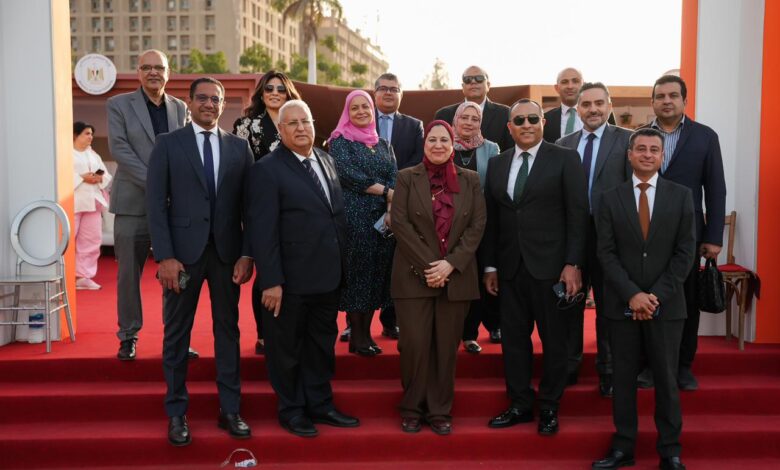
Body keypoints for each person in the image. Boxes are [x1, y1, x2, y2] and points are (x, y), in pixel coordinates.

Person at [146, 77, 255, 446]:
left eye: (216, 99)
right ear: (190, 103)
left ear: (223, 105)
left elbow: (250, 208)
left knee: (228, 331)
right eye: (203, 98)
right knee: (177, 334)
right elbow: (155, 205)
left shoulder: (239, 147)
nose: (210, 104)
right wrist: (165, 257)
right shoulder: (168, 144)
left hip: (227, 256)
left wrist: (246, 253)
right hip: (181, 258)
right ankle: (177, 413)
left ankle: (230, 410)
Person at [246, 99, 359, 438]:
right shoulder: (267, 169)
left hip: (328, 277)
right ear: (281, 130)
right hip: (288, 282)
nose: (300, 128)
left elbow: (333, 215)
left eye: (305, 121)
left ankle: (321, 405)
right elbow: (262, 230)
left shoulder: (326, 159)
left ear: (313, 124)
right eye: (292, 123)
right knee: (287, 351)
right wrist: (271, 281)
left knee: (321, 347)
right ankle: (292, 410)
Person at [482, 99, 589, 435]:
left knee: (555, 341)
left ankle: (549, 406)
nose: (526, 125)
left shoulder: (566, 159)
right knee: (514, 341)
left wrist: (573, 263)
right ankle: (519, 404)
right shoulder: (497, 164)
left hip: (552, 269)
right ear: (509, 127)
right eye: (519, 120)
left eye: (532, 119)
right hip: (510, 268)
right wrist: (490, 266)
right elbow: (493, 219)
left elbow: (578, 215)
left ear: (543, 122)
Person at [592, 128, 695, 470]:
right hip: (622, 305)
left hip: (667, 306)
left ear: (662, 156)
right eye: (641, 149)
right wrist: (632, 294)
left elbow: (685, 253)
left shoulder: (681, 196)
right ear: (630, 155)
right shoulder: (609, 198)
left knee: (666, 380)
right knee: (622, 380)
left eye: (654, 149)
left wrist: (654, 297)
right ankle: (623, 447)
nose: (647, 154)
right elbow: (605, 253)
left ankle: (670, 451)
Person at [391, 120, 486, 435]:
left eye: (444, 140)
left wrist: (450, 265)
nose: (438, 145)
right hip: (413, 275)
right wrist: (432, 266)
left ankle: (439, 410)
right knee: (414, 345)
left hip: (456, 277)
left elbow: (477, 226)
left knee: (446, 348)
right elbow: (400, 224)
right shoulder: (407, 177)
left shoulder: (471, 180)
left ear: (452, 144)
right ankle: (411, 408)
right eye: (432, 139)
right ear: (424, 144)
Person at [637, 75, 726, 391]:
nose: (666, 101)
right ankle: (649, 366)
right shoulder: (639, 137)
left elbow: (715, 189)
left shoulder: (705, 137)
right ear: (652, 102)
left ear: (684, 100)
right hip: (644, 234)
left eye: (673, 95)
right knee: (648, 299)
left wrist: (713, 237)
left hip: (688, 235)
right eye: (660, 96)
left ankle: (683, 366)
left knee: (685, 302)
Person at [107, 49, 189, 361]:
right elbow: (120, 150)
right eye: (147, 67)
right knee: (129, 274)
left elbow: (185, 151)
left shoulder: (180, 108)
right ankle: (128, 336)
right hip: (133, 204)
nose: (153, 72)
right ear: (138, 72)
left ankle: (177, 337)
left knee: (176, 272)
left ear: (168, 72)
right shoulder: (118, 105)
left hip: (173, 207)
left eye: (159, 67)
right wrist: (158, 184)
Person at [556, 82, 632, 396]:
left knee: (610, 306)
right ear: (578, 109)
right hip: (572, 238)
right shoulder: (563, 144)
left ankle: (609, 370)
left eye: (599, 103)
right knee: (569, 303)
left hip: (612, 239)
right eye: (586, 105)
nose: (593, 109)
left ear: (609, 105)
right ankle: (569, 366)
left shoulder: (627, 140)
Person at [233, 70, 302, 356]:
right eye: (269, 88)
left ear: (288, 93)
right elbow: (240, 171)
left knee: (292, 272)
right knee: (266, 272)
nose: (275, 93)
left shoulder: (297, 122)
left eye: (280, 89)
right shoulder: (246, 125)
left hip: (294, 210)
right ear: (261, 93)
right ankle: (263, 334)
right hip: (260, 206)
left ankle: (288, 330)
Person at [328, 90, 397, 356]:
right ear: (347, 112)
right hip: (355, 218)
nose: (360, 111)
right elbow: (348, 175)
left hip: (383, 221)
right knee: (358, 278)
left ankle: (366, 335)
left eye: (365, 107)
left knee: (377, 277)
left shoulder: (383, 144)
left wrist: (390, 208)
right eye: (354, 107)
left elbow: (393, 175)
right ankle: (358, 337)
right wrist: (386, 192)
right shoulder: (339, 141)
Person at [372, 72, 424, 341]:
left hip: (402, 202)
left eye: (394, 89)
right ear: (375, 93)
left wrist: (393, 187)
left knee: (396, 263)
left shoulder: (414, 126)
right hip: (365, 200)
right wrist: (378, 186)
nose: (389, 93)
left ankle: (390, 321)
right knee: (363, 262)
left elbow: (417, 160)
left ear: (401, 94)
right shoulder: (360, 119)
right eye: (383, 88)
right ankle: (354, 322)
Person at [449, 102, 501, 353]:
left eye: (475, 119)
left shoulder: (492, 148)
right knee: (456, 276)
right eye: (465, 117)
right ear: (456, 119)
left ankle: (475, 332)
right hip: (449, 224)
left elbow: (494, 187)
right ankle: (454, 331)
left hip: (482, 222)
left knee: (481, 276)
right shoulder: (444, 144)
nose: (469, 123)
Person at [434, 65, 513, 152]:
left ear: (488, 85)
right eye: (467, 79)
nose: (473, 82)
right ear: (463, 87)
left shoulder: (505, 114)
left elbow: (511, 151)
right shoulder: (444, 115)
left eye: (479, 78)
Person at [72, 121, 112, 291]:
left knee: (92, 240)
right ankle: (64, 275)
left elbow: (105, 173)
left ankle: (83, 276)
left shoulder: (93, 154)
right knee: (68, 239)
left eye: (91, 134)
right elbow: (60, 173)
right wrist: (82, 177)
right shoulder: (66, 152)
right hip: (73, 202)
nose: (91, 137)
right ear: (75, 135)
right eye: (87, 133)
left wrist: (99, 178)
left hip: (93, 202)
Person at [544, 68, 616, 143]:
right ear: (557, 88)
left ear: (583, 85)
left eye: (575, 81)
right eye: (564, 82)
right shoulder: (546, 119)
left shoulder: (602, 114)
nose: (570, 86)